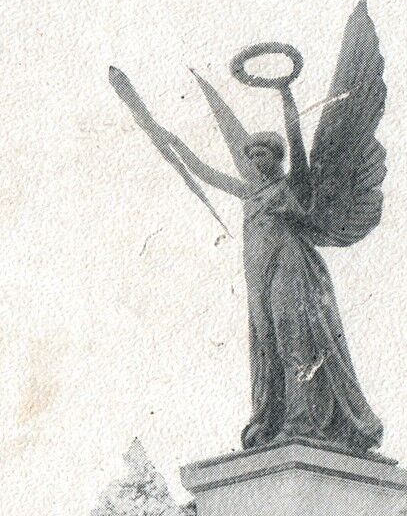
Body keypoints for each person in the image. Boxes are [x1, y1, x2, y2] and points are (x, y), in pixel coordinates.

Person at [157, 81, 383, 454]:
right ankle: (274, 417)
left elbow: (297, 145)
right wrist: (176, 144)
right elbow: (207, 173)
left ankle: (302, 417)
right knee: (269, 343)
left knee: (293, 334)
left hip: (292, 270)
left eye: (264, 153)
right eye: (252, 154)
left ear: (275, 158)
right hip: (259, 277)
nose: (256, 160)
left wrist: (286, 95)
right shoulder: (250, 193)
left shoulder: (292, 186)